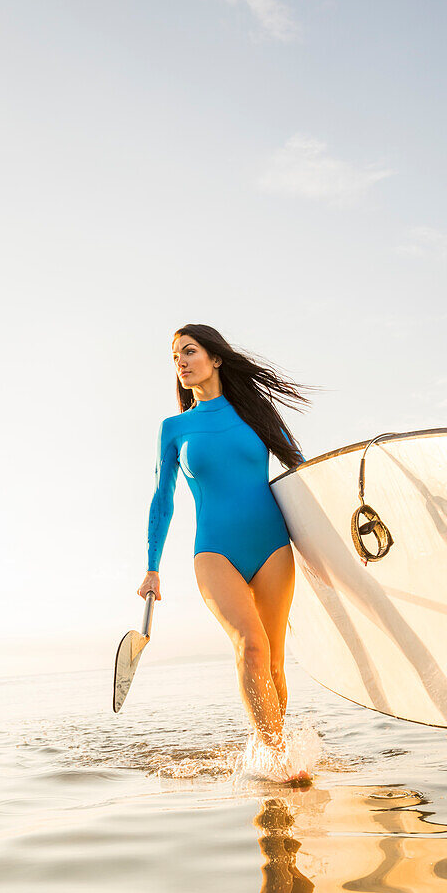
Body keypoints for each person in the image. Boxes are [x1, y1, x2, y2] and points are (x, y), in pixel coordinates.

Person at [136, 324, 311, 774]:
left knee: (273, 661)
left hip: (273, 545)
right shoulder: (175, 428)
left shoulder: (255, 412)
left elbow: (300, 469)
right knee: (250, 647)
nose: (181, 362)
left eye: (188, 351)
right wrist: (152, 567)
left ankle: (276, 754)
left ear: (215, 358)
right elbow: (162, 498)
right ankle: (277, 763)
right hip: (215, 551)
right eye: (175, 357)